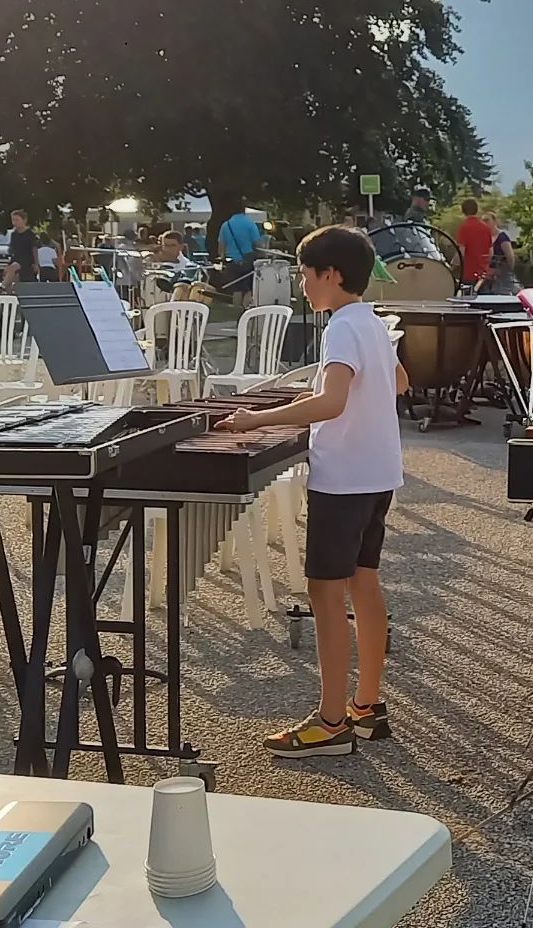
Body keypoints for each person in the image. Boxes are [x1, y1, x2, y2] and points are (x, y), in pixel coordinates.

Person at [217, 225, 408, 758]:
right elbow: (398, 382)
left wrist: (258, 419)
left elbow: (332, 404)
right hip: (378, 472)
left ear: (331, 274)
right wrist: (326, 384)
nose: (301, 283)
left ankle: (329, 722)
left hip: (344, 477)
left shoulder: (341, 327)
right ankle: (366, 707)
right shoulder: (369, 321)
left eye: (304, 273)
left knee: (326, 593)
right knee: (363, 582)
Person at [455, 198, 493, 288]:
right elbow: (491, 252)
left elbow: (461, 252)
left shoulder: (463, 227)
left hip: (469, 274)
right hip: (484, 274)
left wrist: (452, 266)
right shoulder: (486, 228)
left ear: (463, 211)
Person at [480, 211, 516, 295]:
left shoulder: (502, 236)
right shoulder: (485, 237)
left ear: (494, 221)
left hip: (501, 275)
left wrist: (505, 270)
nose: (485, 223)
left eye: (487, 220)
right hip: (487, 276)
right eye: (483, 221)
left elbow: (510, 256)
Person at [3, 209, 39, 289]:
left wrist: (36, 263)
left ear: (24, 220)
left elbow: (34, 249)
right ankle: (8, 291)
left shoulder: (30, 234)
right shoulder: (14, 234)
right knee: (8, 270)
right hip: (16, 257)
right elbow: (12, 249)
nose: (15, 222)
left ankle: (3, 286)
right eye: (13, 220)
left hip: (27, 258)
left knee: (14, 266)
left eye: (17, 220)